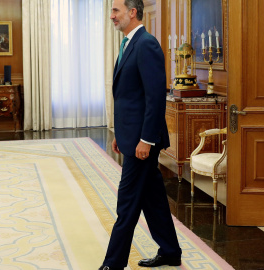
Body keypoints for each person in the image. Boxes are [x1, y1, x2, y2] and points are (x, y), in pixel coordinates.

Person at [99, 0, 182, 269]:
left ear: (132, 12)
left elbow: (155, 98)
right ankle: (170, 251)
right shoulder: (127, 43)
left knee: (127, 203)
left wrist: (146, 140)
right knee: (153, 198)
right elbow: (128, 98)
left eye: (115, 11)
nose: (111, 16)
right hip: (131, 137)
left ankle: (113, 263)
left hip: (144, 141)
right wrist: (120, 134)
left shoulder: (146, 44)